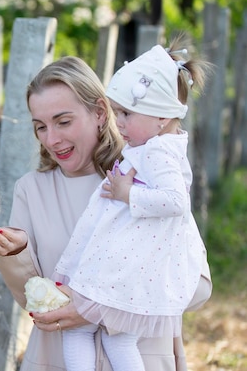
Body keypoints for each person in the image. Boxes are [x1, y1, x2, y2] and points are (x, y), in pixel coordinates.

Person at [0, 50, 212, 371]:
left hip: (144, 357)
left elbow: (197, 288)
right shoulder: (32, 190)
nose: (52, 138)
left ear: (101, 112)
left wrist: (101, 308)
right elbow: (36, 302)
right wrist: (17, 253)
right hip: (57, 360)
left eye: (63, 121)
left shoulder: (145, 177)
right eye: (40, 127)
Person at [52, 40, 210, 370]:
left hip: (124, 267)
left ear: (163, 117)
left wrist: (127, 194)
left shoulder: (157, 151)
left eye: (127, 113)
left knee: (80, 331)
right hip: (127, 262)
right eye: (117, 112)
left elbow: (177, 200)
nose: (118, 122)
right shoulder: (156, 144)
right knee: (116, 338)